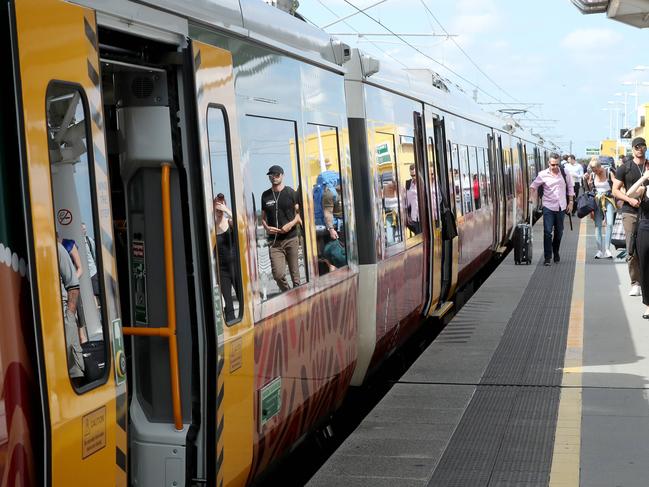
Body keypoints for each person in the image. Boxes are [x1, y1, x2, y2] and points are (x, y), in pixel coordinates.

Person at [613, 137, 648, 296]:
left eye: (643, 146)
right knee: (632, 247)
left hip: (647, 212)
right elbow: (615, 190)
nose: (640, 149)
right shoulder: (625, 168)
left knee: (645, 249)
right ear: (632, 149)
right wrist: (629, 200)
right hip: (630, 211)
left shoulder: (648, 166)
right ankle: (635, 282)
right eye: (637, 147)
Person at [261, 165, 302, 292]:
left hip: (291, 238)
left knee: (295, 275)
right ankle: (288, 292)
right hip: (274, 242)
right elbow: (263, 217)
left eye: (277, 175)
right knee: (278, 275)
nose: (274, 177)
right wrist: (267, 228)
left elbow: (299, 214)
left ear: (282, 176)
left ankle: (297, 293)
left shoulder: (290, 192)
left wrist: (290, 224)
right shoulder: (265, 195)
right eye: (271, 175)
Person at [529, 153, 574, 266]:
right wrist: (531, 197)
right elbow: (533, 186)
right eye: (552, 164)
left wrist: (571, 202)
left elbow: (570, 187)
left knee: (559, 232)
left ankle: (556, 251)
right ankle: (547, 257)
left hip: (561, 207)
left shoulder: (564, 172)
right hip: (548, 206)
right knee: (547, 232)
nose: (554, 167)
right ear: (549, 163)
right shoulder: (542, 174)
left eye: (556, 164)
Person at [58, 242, 85, 379]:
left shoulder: (58, 249)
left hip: (63, 311)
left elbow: (73, 285)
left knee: (74, 366)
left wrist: (69, 316)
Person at [625, 169, 649, 318]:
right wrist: (643, 178)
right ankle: (648, 305)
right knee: (645, 267)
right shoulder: (643, 188)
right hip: (645, 229)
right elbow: (629, 194)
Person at [214, 194, 240, 321]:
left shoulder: (230, 222)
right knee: (228, 302)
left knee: (241, 297)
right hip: (222, 269)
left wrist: (227, 210)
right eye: (217, 208)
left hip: (235, 265)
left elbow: (240, 225)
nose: (219, 211)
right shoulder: (212, 227)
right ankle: (231, 324)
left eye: (221, 207)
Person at [584, 159, 616, 258]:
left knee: (609, 224)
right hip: (597, 200)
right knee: (598, 225)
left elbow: (616, 184)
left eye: (596, 170)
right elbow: (589, 189)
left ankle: (607, 249)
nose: (595, 172)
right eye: (593, 171)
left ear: (600, 167)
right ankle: (599, 250)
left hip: (609, 200)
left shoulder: (609, 172)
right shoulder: (592, 175)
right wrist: (587, 181)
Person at [81, 222, 100, 297]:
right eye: (82, 229)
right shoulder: (76, 242)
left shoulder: (89, 240)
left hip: (92, 271)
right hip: (83, 274)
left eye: (85, 229)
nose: (84, 231)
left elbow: (94, 255)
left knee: (95, 293)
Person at [405, 164, 421, 235]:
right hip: (413, 217)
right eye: (411, 175)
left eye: (414, 175)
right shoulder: (408, 183)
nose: (413, 177)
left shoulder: (423, 182)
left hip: (423, 216)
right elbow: (406, 200)